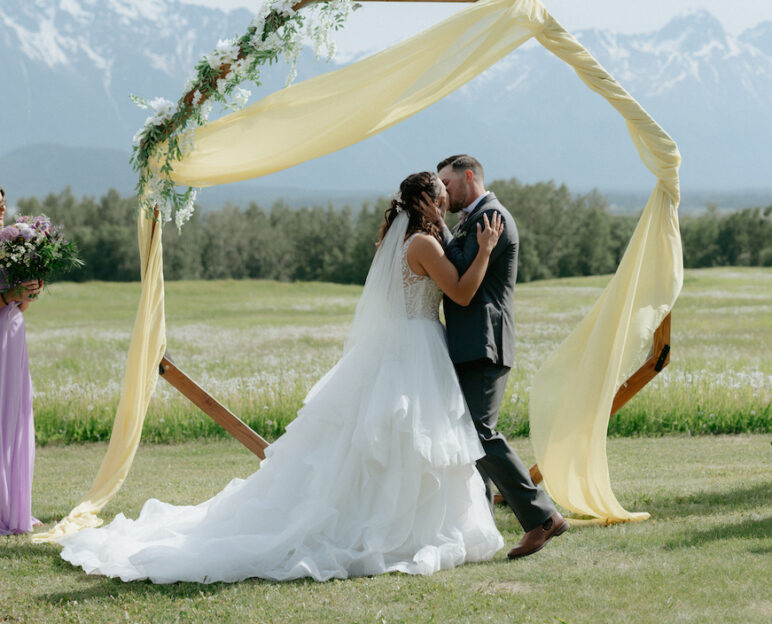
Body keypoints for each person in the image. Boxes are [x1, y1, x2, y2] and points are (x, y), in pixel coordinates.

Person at [59, 172, 505, 583]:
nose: (448, 202)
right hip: (416, 347)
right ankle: (394, 528)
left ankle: (396, 520)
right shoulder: (423, 245)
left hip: (406, 346)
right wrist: (484, 250)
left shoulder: (406, 238)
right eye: (442, 196)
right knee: (405, 439)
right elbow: (462, 292)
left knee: (396, 441)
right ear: (427, 201)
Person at [435, 155, 568, 559]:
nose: (443, 192)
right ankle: (479, 528)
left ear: (469, 176)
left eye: (447, 183)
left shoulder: (490, 217)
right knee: (469, 435)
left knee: (479, 432)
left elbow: (460, 272)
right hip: (470, 342)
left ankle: (542, 517)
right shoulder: (476, 216)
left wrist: (436, 224)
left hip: (485, 341)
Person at [0, 187, 43, 535]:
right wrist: (7, 296)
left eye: (1, 206)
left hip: (11, 336)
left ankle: (14, 506)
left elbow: (19, 304)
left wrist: (27, 292)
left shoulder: (10, 248)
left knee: (14, 415)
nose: (0, 212)